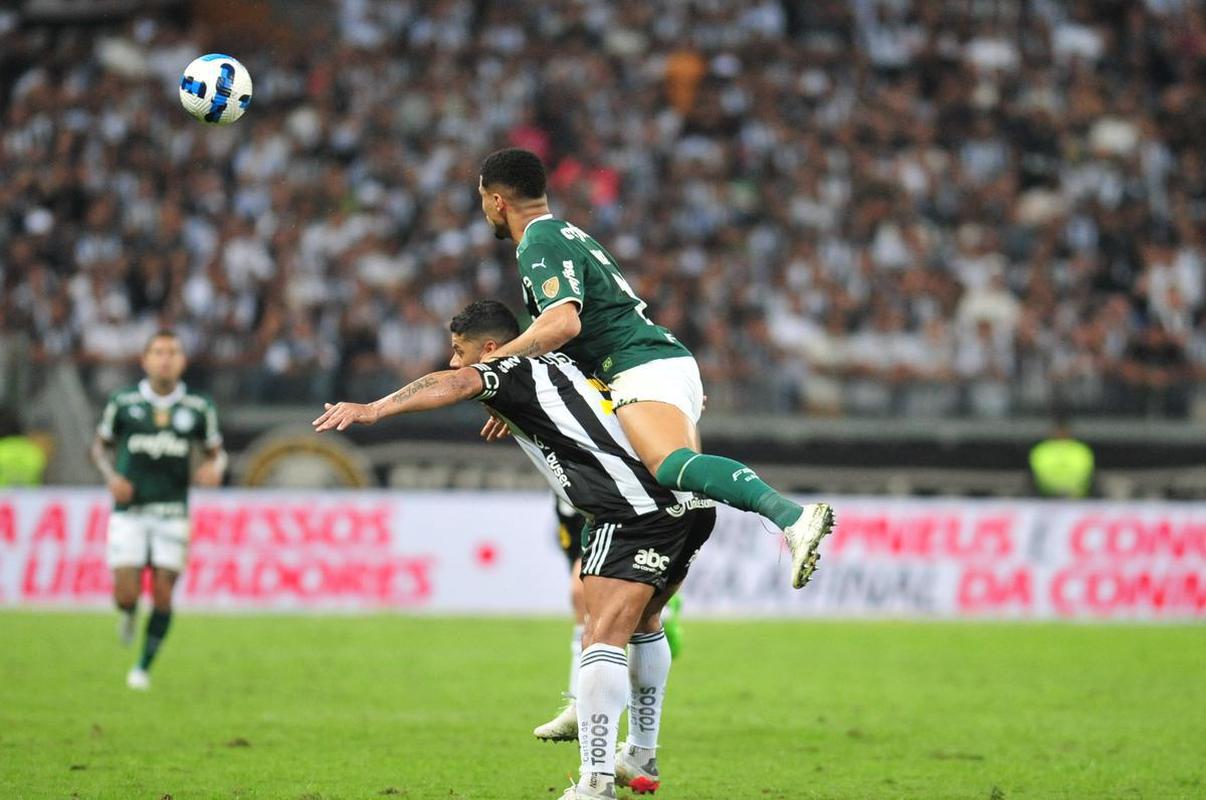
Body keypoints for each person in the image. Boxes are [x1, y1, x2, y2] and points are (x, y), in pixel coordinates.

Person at [314, 300, 719, 799]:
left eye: (459, 351)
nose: (454, 361)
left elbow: (456, 384)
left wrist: (374, 408)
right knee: (644, 623)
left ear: (490, 348)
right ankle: (640, 753)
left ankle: (595, 783)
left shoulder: (506, 368)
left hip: (633, 508)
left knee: (600, 636)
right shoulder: (570, 359)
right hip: (687, 498)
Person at [475, 148, 834, 590]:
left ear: (497, 201)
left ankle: (791, 516)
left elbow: (563, 323)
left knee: (668, 467)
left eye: (483, 199)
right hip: (650, 363)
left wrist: (499, 362)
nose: (484, 211)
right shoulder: (566, 233)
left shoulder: (538, 241)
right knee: (662, 491)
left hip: (638, 364)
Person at [90, 330, 226, 690]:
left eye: (173, 352)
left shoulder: (198, 407)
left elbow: (217, 453)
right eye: (158, 352)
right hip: (130, 511)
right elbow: (99, 448)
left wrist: (214, 469)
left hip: (172, 512)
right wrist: (111, 478)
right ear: (145, 360)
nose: (165, 359)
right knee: (126, 595)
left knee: (163, 594)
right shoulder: (123, 402)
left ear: (183, 361)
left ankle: (143, 668)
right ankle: (128, 613)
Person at [535, 497, 687, 743]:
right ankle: (583, 704)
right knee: (588, 599)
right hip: (575, 496)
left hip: (622, 499)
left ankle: (583, 705)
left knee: (584, 593)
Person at [1029, 415, 1095, 498]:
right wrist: (1054, 488)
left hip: (1077, 496)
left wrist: (1070, 488)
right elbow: (1040, 473)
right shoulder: (1041, 449)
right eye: (1057, 430)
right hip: (1046, 495)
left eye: (1063, 430)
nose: (1060, 433)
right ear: (1051, 431)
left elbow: (1084, 473)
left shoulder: (1081, 449)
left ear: (1069, 431)